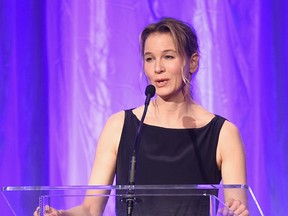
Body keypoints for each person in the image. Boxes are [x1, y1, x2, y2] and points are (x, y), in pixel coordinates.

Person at [34, 17, 248, 216]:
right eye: (149, 58)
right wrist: (62, 215)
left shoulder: (223, 134)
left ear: (192, 62)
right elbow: (90, 209)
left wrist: (234, 212)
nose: (157, 68)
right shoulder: (119, 126)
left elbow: (234, 207)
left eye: (168, 56)